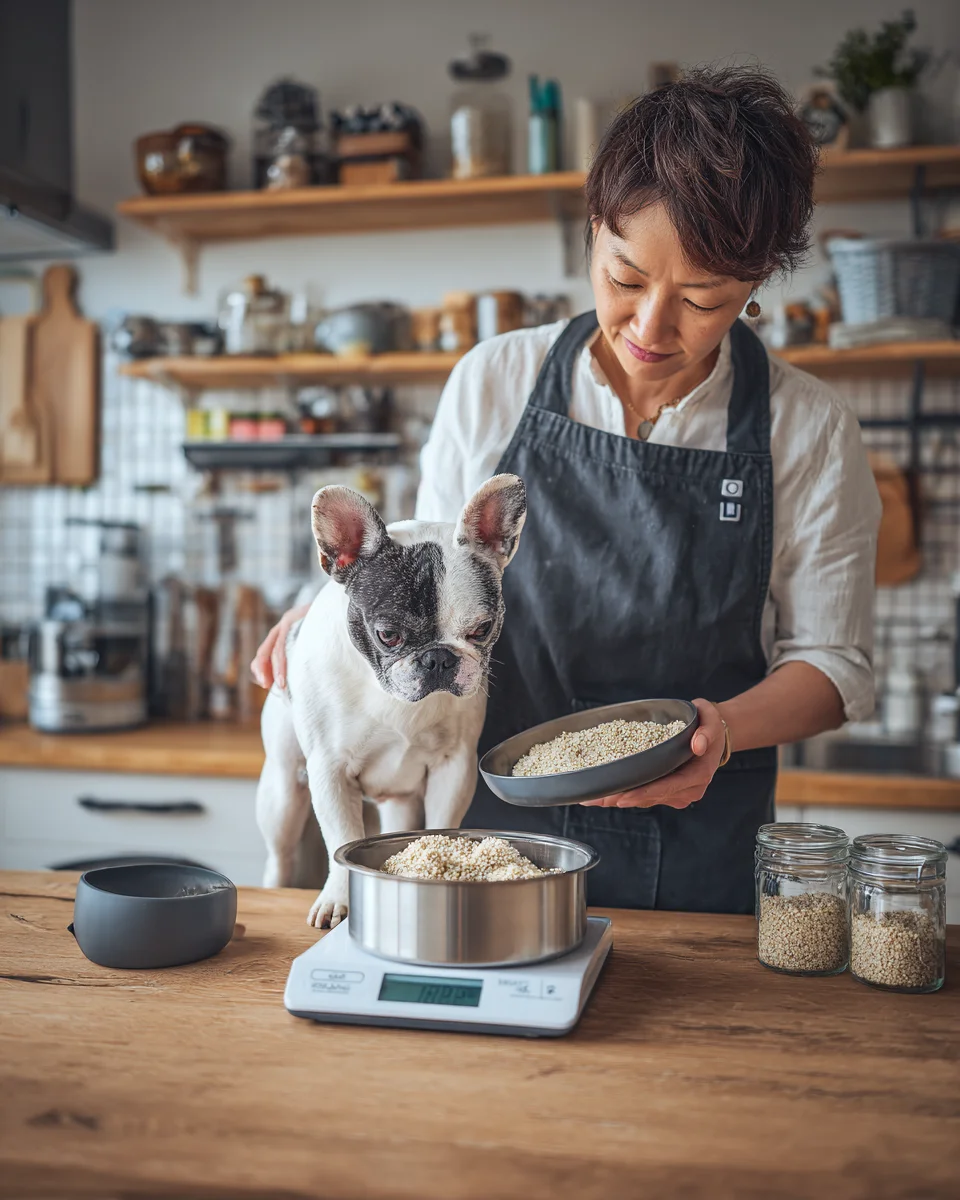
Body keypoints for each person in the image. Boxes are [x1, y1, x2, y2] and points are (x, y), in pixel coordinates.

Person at [252, 68, 880, 914]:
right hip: (482, 840)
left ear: (758, 281)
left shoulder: (809, 428)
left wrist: (720, 732)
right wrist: (332, 616)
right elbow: (426, 560)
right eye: (626, 278)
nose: (651, 328)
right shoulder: (494, 380)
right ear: (593, 230)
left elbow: (835, 666)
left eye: (702, 300)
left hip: (695, 848)